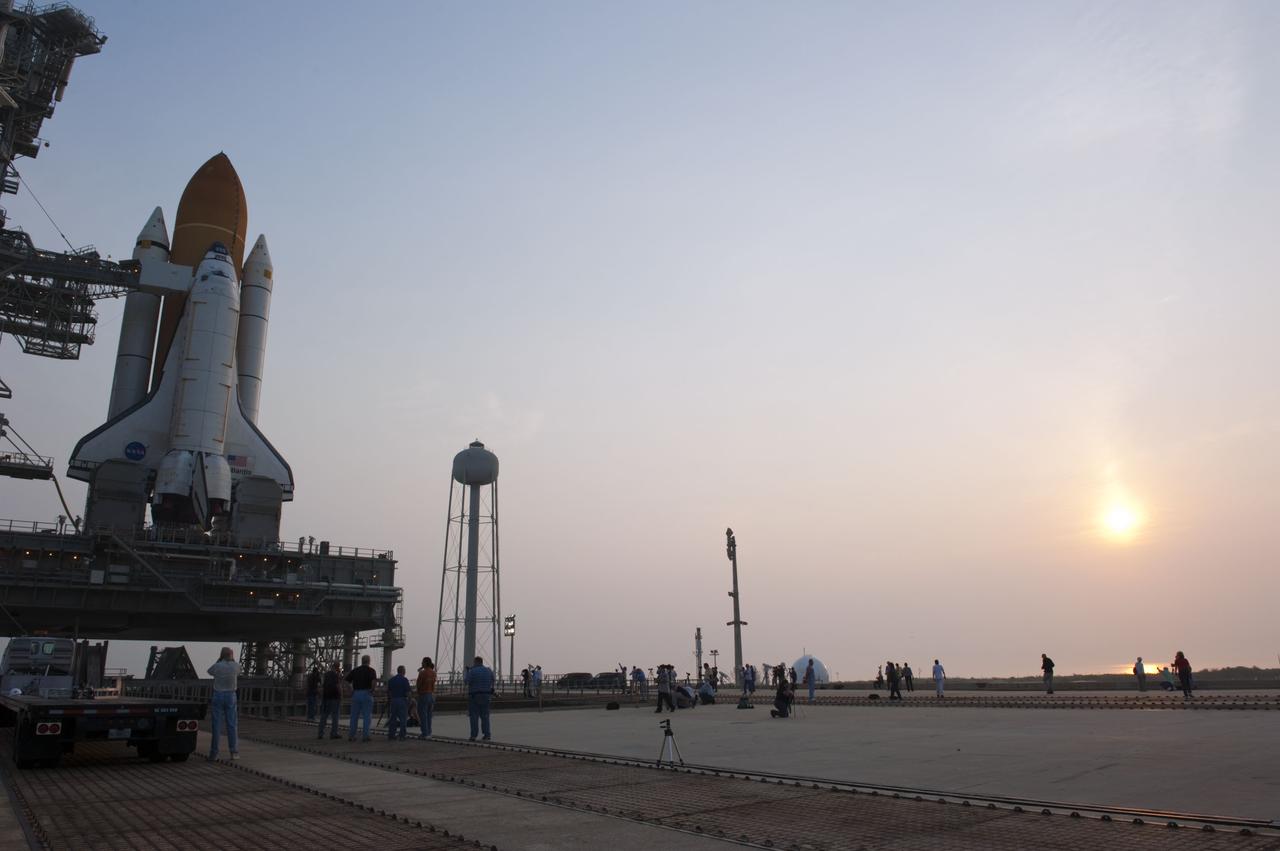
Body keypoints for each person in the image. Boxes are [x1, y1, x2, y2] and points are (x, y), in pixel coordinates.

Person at [207, 646, 239, 761]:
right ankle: (234, 752)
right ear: (231, 655)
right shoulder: (235, 666)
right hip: (231, 696)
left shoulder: (217, 666)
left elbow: (209, 671)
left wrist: (219, 660)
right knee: (231, 724)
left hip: (218, 695)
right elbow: (238, 670)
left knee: (216, 725)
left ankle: (214, 753)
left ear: (221, 655)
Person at [345, 654, 377, 741]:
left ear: (362, 661)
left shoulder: (355, 670)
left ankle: (351, 736)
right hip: (366, 693)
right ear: (369, 661)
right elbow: (374, 681)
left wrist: (351, 690)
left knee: (354, 716)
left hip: (356, 693)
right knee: (367, 716)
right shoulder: (371, 671)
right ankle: (365, 736)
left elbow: (346, 681)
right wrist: (372, 690)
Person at [464, 655, 495, 740]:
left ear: (476, 662)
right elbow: (493, 680)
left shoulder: (472, 671)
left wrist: (467, 671)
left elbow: (466, 682)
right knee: (485, 716)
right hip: (486, 695)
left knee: (474, 716)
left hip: (474, 695)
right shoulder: (488, 670)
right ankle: (487, 734)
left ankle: (474, 735)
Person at [317, 660, 342, 739]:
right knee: (335, 716)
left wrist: (321, 695)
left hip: (326, 697)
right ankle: (334, 733)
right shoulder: (336, 675)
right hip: (334, 697)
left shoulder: (326, 674)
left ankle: (320, 733)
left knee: (324, 715)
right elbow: (338, 686)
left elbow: (322, 686)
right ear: (337, 667)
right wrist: (341, 695)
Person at [385, 665, 411, 740]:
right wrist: (409, 701)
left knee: (393, 718)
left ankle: (391, 735)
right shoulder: (404, 680)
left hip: (393, 700)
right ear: (403, 671)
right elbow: (408, 692)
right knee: (403, 719)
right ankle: (402, 735)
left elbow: (389, 692)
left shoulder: (391, 680)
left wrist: (390, 700)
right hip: (402, 700)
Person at [416, 656, 437, 738]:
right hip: (431, 694)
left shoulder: (422, 673)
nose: (421, 663)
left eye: (422, 662)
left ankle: (424, 733)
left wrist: (418, 692)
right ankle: (429, 732)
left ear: (425, 663)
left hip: (423, 694)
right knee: (429, 715)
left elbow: (419, 684)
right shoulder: (433, 673)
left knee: (423, 715)